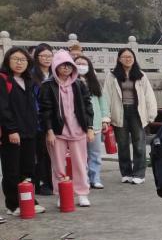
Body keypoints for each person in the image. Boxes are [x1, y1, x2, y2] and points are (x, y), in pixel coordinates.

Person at [39, 50, 94, 207]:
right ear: (55, 66)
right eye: (62, 65)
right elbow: (45, 110)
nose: (66, 68)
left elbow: (88, 106)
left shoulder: (79, 84)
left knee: (80, 163)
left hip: (78, 129)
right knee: (58, 164)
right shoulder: (47, 85)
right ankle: (61, 193)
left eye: (69, 65)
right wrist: (49, 131)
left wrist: (89, 127)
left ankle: (82, 193)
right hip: (57, 132)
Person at [0, 47, 46, 217]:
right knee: (12, 170)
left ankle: (29, 201)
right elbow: (3, 108)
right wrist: (11, 130)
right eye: (15, 59)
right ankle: (13, 204)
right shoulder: (3, 79)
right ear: (8, 61)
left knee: (28, 169)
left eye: (23, 60)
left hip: (29, 131)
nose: (19, 63)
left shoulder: (29, 80)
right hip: (11, 133)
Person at [102, 48, 158, 184]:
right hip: (119, 111)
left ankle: (139, 174)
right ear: (119, 59)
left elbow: (149, 95)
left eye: (130, 57)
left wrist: (151, 113)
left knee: (139, 144)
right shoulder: (112, 76)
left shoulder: (141, 75)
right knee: (122, 145)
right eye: (124, 57)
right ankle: (126, 172)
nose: (128, 59)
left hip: (137, 111)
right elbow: (106, 96)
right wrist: (106, 116)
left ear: (134, 58)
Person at [78, 56, 110, 189]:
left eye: (84, 64)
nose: (81, 66)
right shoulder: (70, 82)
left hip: (95, 123)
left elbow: (103, 102)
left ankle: (95, 178)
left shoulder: (94, 83)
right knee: (81, 154)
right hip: (78, 124)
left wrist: (105, 119)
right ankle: (83, 179)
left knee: (95, 153)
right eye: (78, 63)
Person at [29, 43, 54, 196]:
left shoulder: (55, 73)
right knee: (41, 153)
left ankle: (51, 182)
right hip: (38, 121)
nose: (46, 59)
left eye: (49, 56)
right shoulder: (31, 75)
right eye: (43, 56)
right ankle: (41, 183)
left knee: (53, 153)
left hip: (54, 119)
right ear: (36, 57)